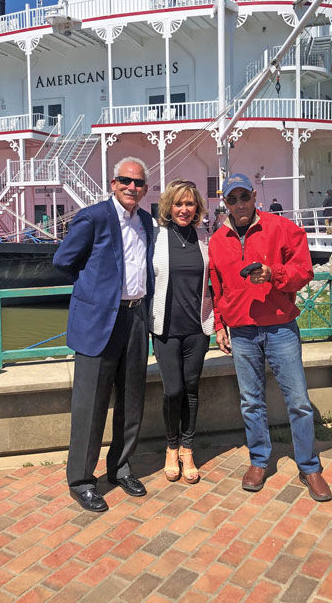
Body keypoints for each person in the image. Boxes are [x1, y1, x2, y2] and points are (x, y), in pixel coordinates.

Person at [208, 172, 331, 502]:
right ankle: (259, 461)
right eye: (231, 200)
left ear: (254, 196)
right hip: (242, 331)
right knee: (251, 401)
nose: (239, 204)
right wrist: (220, 325)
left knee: (299, 402)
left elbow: (304, 271)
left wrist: (273, 274)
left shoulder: (281, 228)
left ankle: (309, 466)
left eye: (243, 197)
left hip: (279, 327)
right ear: (225, 204)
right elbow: (217, 288)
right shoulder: (218, 240)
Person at [53, 157, 155, 513]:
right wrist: (95, 295)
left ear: (145, 188)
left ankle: (121, 467)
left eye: (139, 183)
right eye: (125, 180)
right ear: (113, 183)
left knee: (132, 402)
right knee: (90, 407)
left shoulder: (146, 222)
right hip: (100, 323)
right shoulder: (94, 217)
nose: (132, 187)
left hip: (136, 319)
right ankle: (81, 480)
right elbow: (64, 260)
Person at [150, 180, 214, 483]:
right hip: (164, 328)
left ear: (197, 207)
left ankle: (187, 449)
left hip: (197, 328)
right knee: (172, 390)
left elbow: (215, 283)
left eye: (189, 204)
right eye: (178, 204)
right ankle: (170, 446)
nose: (184, 209)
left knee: (191, 389)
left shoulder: (204, 238)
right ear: (168, 207)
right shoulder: (156, 237)